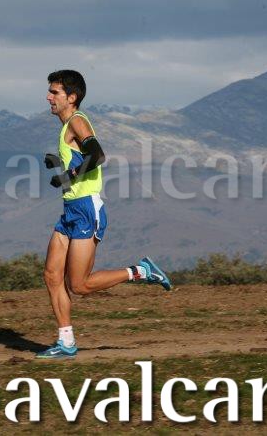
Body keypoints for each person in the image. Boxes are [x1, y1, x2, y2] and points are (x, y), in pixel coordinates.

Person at [36, 69, 171, 359]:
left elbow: (97, 155)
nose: (48, 97)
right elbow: (80, 162)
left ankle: (141, 272)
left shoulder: (77, 120)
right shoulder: (66, 126)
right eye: (49, 91)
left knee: (79, 285)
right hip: (71, 210)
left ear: (72, 97)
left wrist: (69, 174)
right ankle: (66, 342)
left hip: (87, 210)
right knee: (51, 275)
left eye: (55, 92)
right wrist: (58, 165)